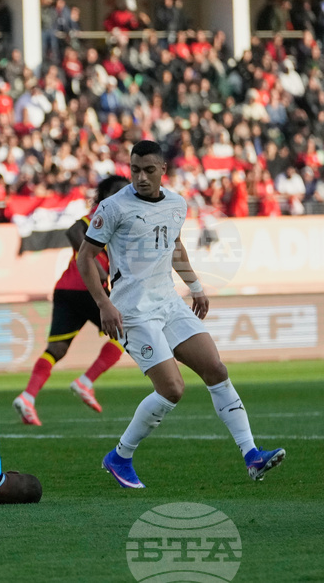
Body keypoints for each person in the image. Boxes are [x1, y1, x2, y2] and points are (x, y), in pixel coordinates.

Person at [77, 141, 286, 488]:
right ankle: (120, 456)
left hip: (168, 302)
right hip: (133, 311)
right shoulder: (113, 208)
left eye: (148, 170)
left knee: (216, 369)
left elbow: (174, 246)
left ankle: (252, 455)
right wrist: (104, 303)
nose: (141, 177)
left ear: (163, 171)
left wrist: (196, 286)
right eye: (135, 170)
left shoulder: (176, 204)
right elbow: (85, 257)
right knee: (172, 389)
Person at [13, 175, 130, 426]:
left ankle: (28, 396)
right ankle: (85, 382)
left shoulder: (121, 218)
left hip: (66, 288)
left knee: (57, 349)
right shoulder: (103, 211)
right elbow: (74, 230)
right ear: (105, 195)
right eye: (118, 190)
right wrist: (95, 265)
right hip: (87, 287)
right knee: (126, 332)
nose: (123, 194)